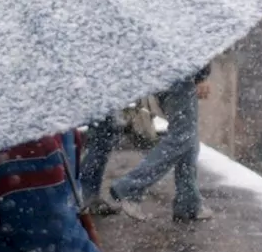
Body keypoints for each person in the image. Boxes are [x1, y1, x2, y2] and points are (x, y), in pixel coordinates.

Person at [86, 66, 214, 222]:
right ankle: (130, 187)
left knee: (188, 137)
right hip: (181, 75)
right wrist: (201, 75)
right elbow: (195, 45)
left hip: (166, 75)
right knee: (182, 137)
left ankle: (189, 202)